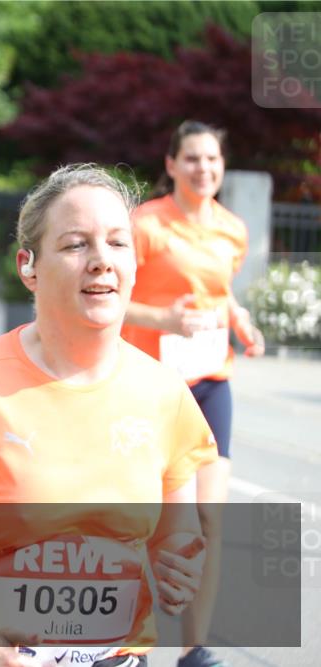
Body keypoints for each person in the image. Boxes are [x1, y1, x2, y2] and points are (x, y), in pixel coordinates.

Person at [0, 164, 218, 667]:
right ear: (28, 266)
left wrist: (180, 563)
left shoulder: (165, 393)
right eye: (76, 245)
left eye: (118, 243)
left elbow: (178, 535)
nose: (101, 261)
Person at [121, 121, 265, 667]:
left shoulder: (232, 229)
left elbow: (221, 295)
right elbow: (108, 294)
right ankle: (122, 632)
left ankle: (194, 649)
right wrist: (162, 319)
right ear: (172, 164)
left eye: (212, 159)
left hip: (210, 382)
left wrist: (242, 322)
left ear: (221, 166)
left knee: (210, 518)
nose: (204, 168)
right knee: (139, 517)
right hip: (150, 386)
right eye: (192, 159)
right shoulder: (145, 224)